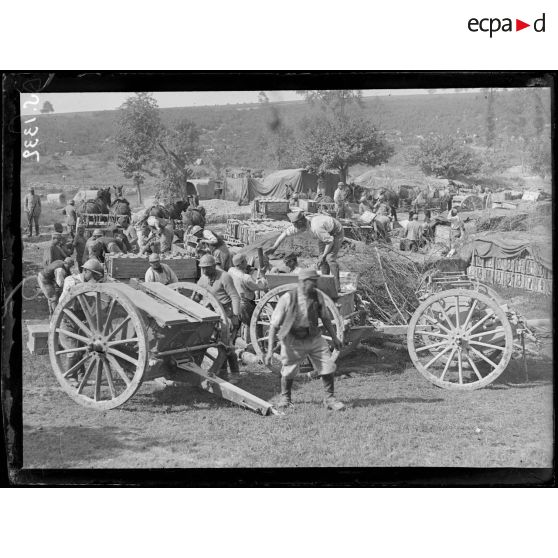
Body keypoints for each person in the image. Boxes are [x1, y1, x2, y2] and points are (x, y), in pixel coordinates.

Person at [265, 268, 345, 411]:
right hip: (292, 339)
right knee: (288, 370)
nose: (315, 284)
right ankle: (286, 398)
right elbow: (274, 326)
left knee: (327, 365)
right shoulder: (287, 298)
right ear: (302, 282)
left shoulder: (318, 296)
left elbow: (326, 318)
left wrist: (335, 338)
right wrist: (270, 351)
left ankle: (330, 399)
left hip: (314, 337)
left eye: (316, 281)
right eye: (312, 282)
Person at [266, 210, 344, 291]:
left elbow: (330, 242)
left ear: (300, 222)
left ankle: (337, 287)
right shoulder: (301, 225)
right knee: (322, 259)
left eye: (296, 225)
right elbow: (285, 233)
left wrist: (324, 256)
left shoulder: (316, 228)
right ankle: (325, 284)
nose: (296, 228)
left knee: (329, 258)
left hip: (336, 232)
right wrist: (274, 247)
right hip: (325, 233)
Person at [58, 258, 105, 383]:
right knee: (73, 352)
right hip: (68, 319)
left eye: (96, 275)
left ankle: (81, 377)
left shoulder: (92, 283)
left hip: (82, 321)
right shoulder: (71, 280)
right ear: (85, 271)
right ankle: (69, 377)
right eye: (93, 274)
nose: (94, 277)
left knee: (82, 350)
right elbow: (64, 299)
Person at [196, 254, 241, 381]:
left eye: (207, 268)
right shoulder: (203, 279)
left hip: (227, 314)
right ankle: (222, 373)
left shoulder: (224, 277)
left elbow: (234, 296)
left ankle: (235, 374)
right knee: (217, 344)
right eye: (202, 268)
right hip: (211, 316)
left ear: (214, 266)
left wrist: (235, 316)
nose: (204, 271)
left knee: (228, 346)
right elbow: (196, 295)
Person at [228, 253, 268, 325]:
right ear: (241, 263)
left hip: (234, 302)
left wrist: (246, 271)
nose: (247, 262)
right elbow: (259, 287)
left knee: (238, 325)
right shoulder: (246, 278)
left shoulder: (230, 270)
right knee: (254, 326)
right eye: (245, 261)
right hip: (246, 304)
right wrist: (262, 275)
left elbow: (237, 275)